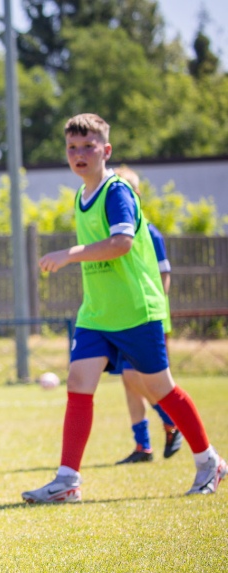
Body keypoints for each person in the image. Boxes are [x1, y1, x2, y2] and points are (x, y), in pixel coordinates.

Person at [23, 114, 225, 503]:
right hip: (98, 314)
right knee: (78, 384)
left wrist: (68, 254)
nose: (79, 154)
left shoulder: (117, 192)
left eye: (88, 146)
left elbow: (121, 244)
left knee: (160, 388)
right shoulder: (81, 196)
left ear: (106, 150)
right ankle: (67, 481)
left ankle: (208, 461)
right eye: (72, 148)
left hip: (135, 311)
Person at [110, 166, 182, 465]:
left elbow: (163, 276)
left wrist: (157, 312)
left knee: (140, 378)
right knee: (128, 380)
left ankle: (171, 420)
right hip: (123, 317)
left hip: (147, 318)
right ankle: (143, 446)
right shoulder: (115, 232)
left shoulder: (149, 232)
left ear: (136, 194)